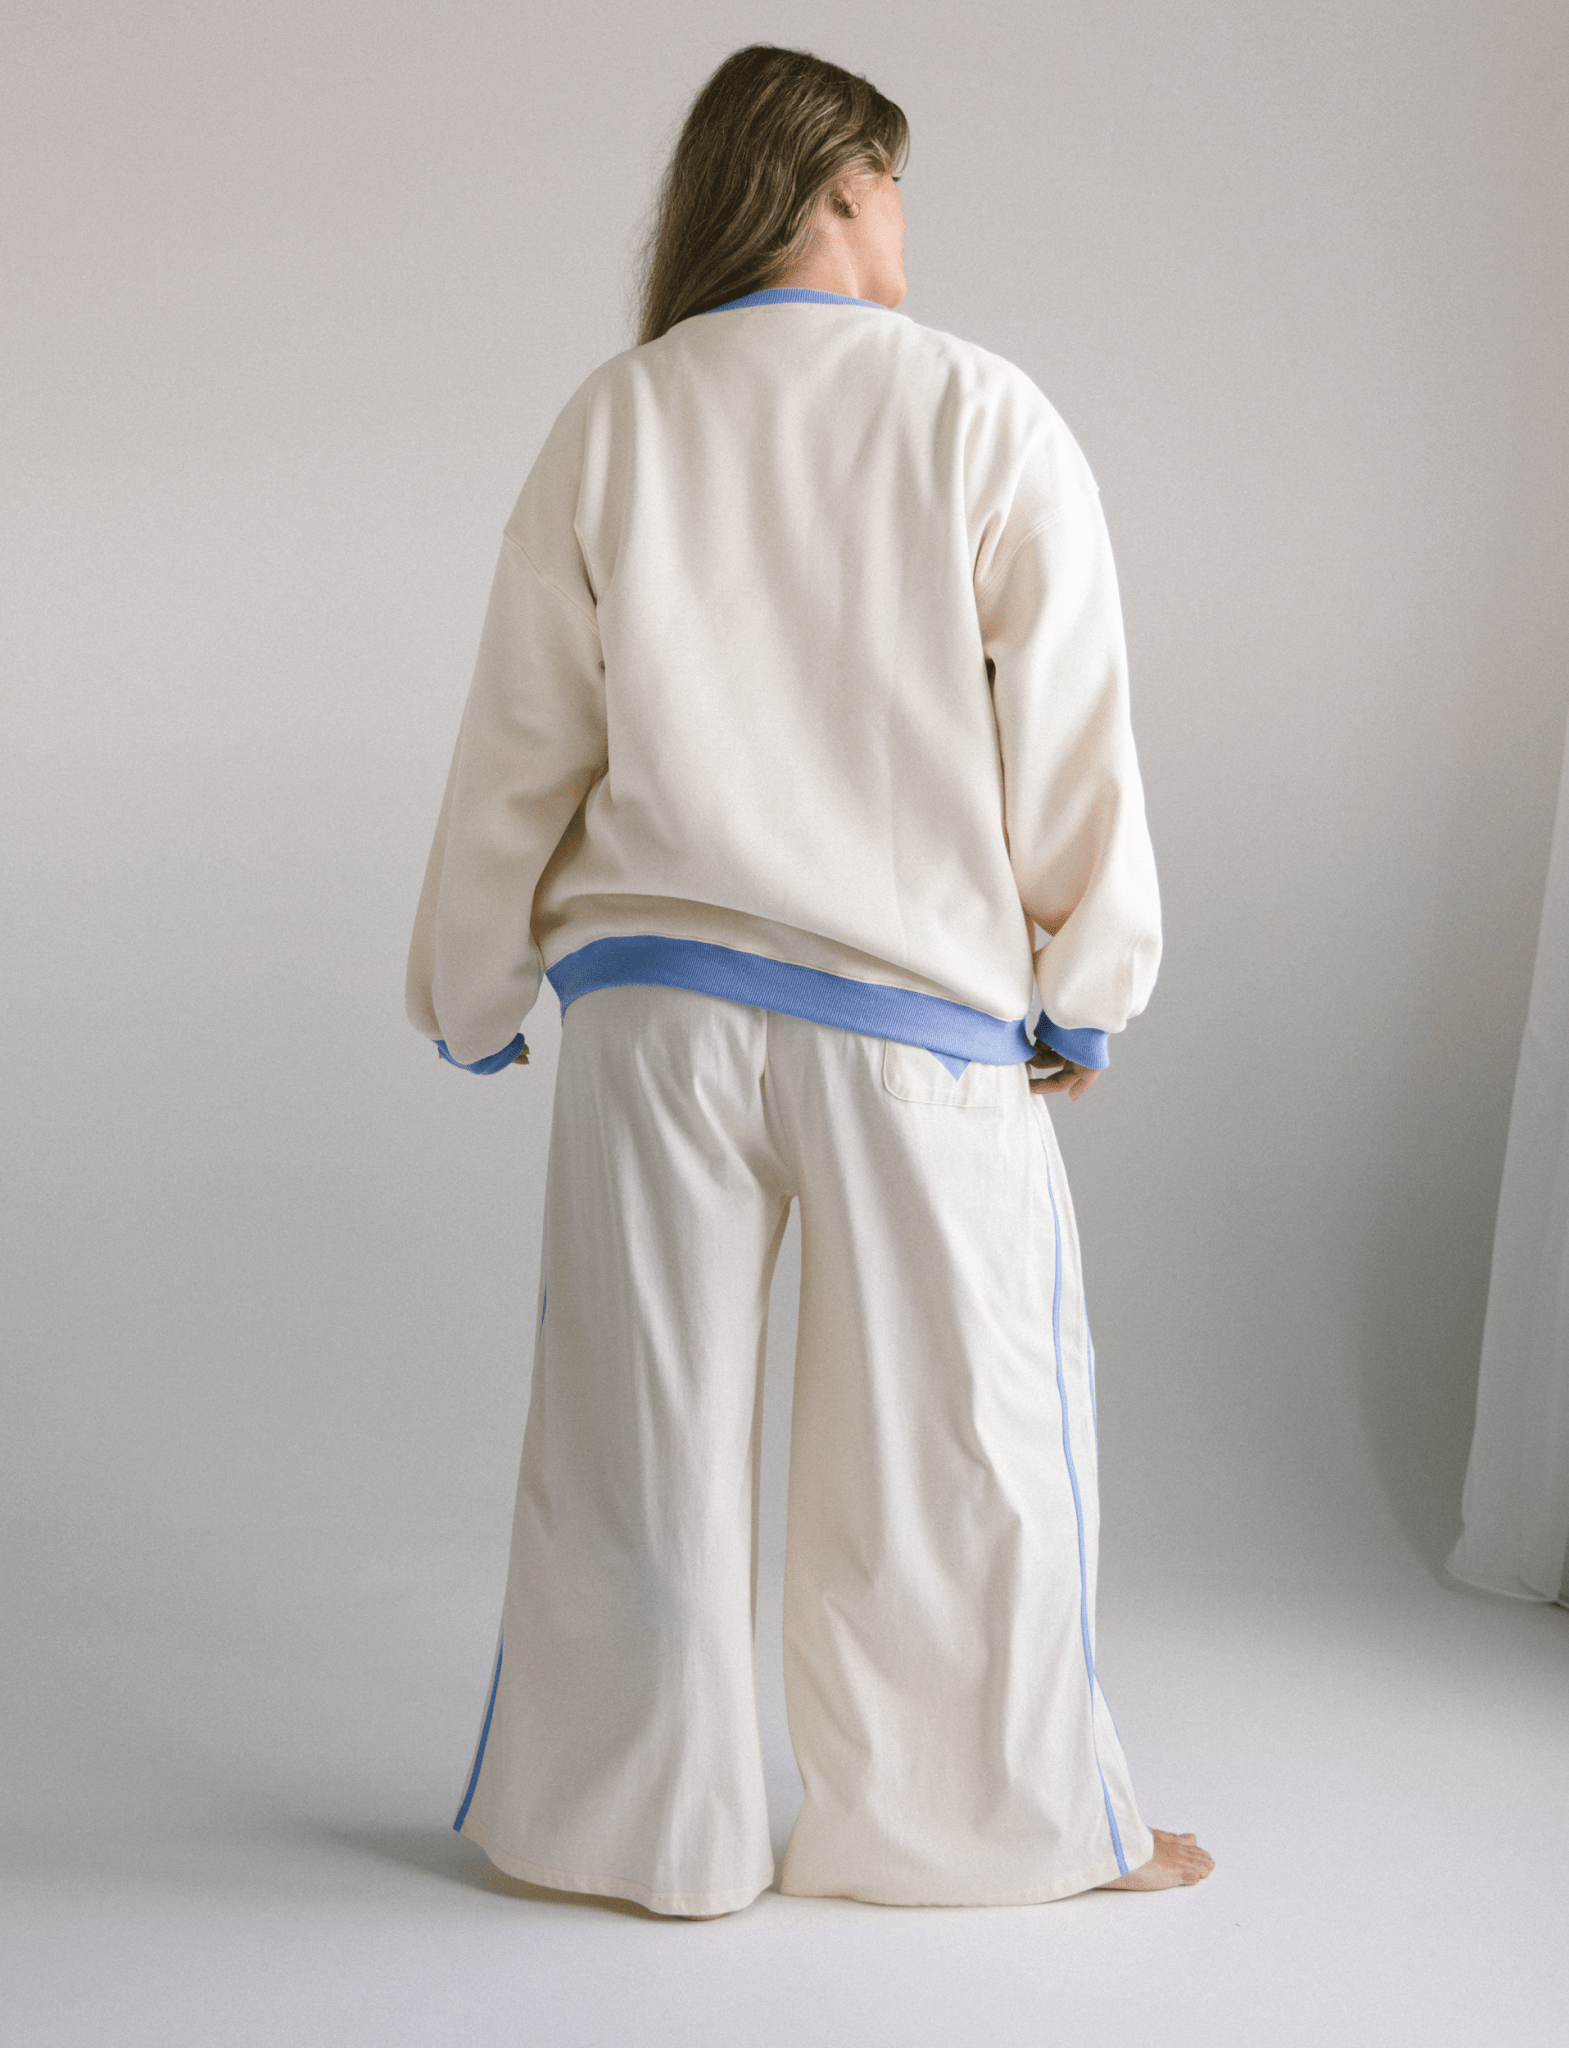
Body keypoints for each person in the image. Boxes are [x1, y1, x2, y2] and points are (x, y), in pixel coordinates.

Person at [407, 43, 1214, 1916]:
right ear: (839, 185)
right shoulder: (980, 413)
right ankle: (984, 1831)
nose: (904, 218)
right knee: (957, 1450)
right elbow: (1070, 734)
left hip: (653, 1018)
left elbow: (520, 740)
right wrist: (1083, 986)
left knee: (632, 1443)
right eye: (892, 180)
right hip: (911, 1031)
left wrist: (471, 984)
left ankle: (625, 1831)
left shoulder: (614, 419)